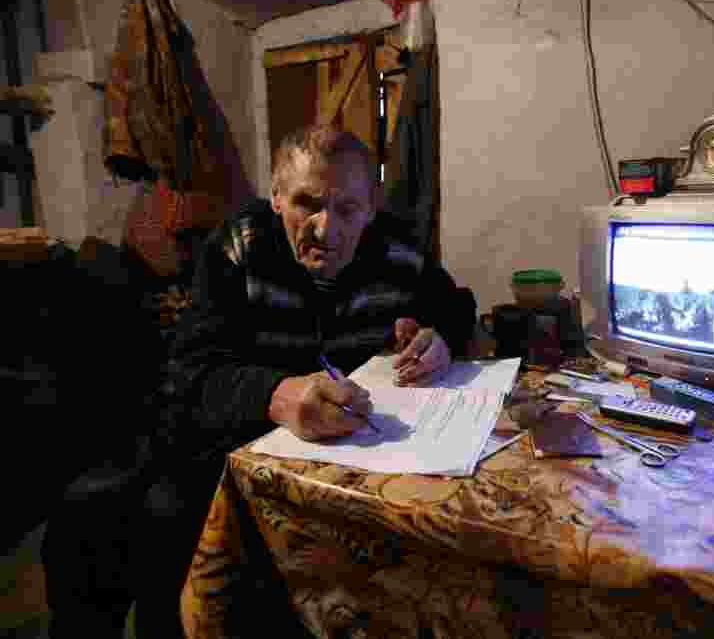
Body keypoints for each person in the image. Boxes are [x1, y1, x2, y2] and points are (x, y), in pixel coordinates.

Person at [42, 126, 476, 639]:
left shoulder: (399, 249)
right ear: (274, 196)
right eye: (305, 203)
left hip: (352, 461)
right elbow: (187, 376)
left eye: (346, 209)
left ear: (371, 207)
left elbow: (457, 306)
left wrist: (440, 337)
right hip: (233, 447)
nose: (325, 228)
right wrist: (275, 394)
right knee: (126, 524)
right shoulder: (240, 245)